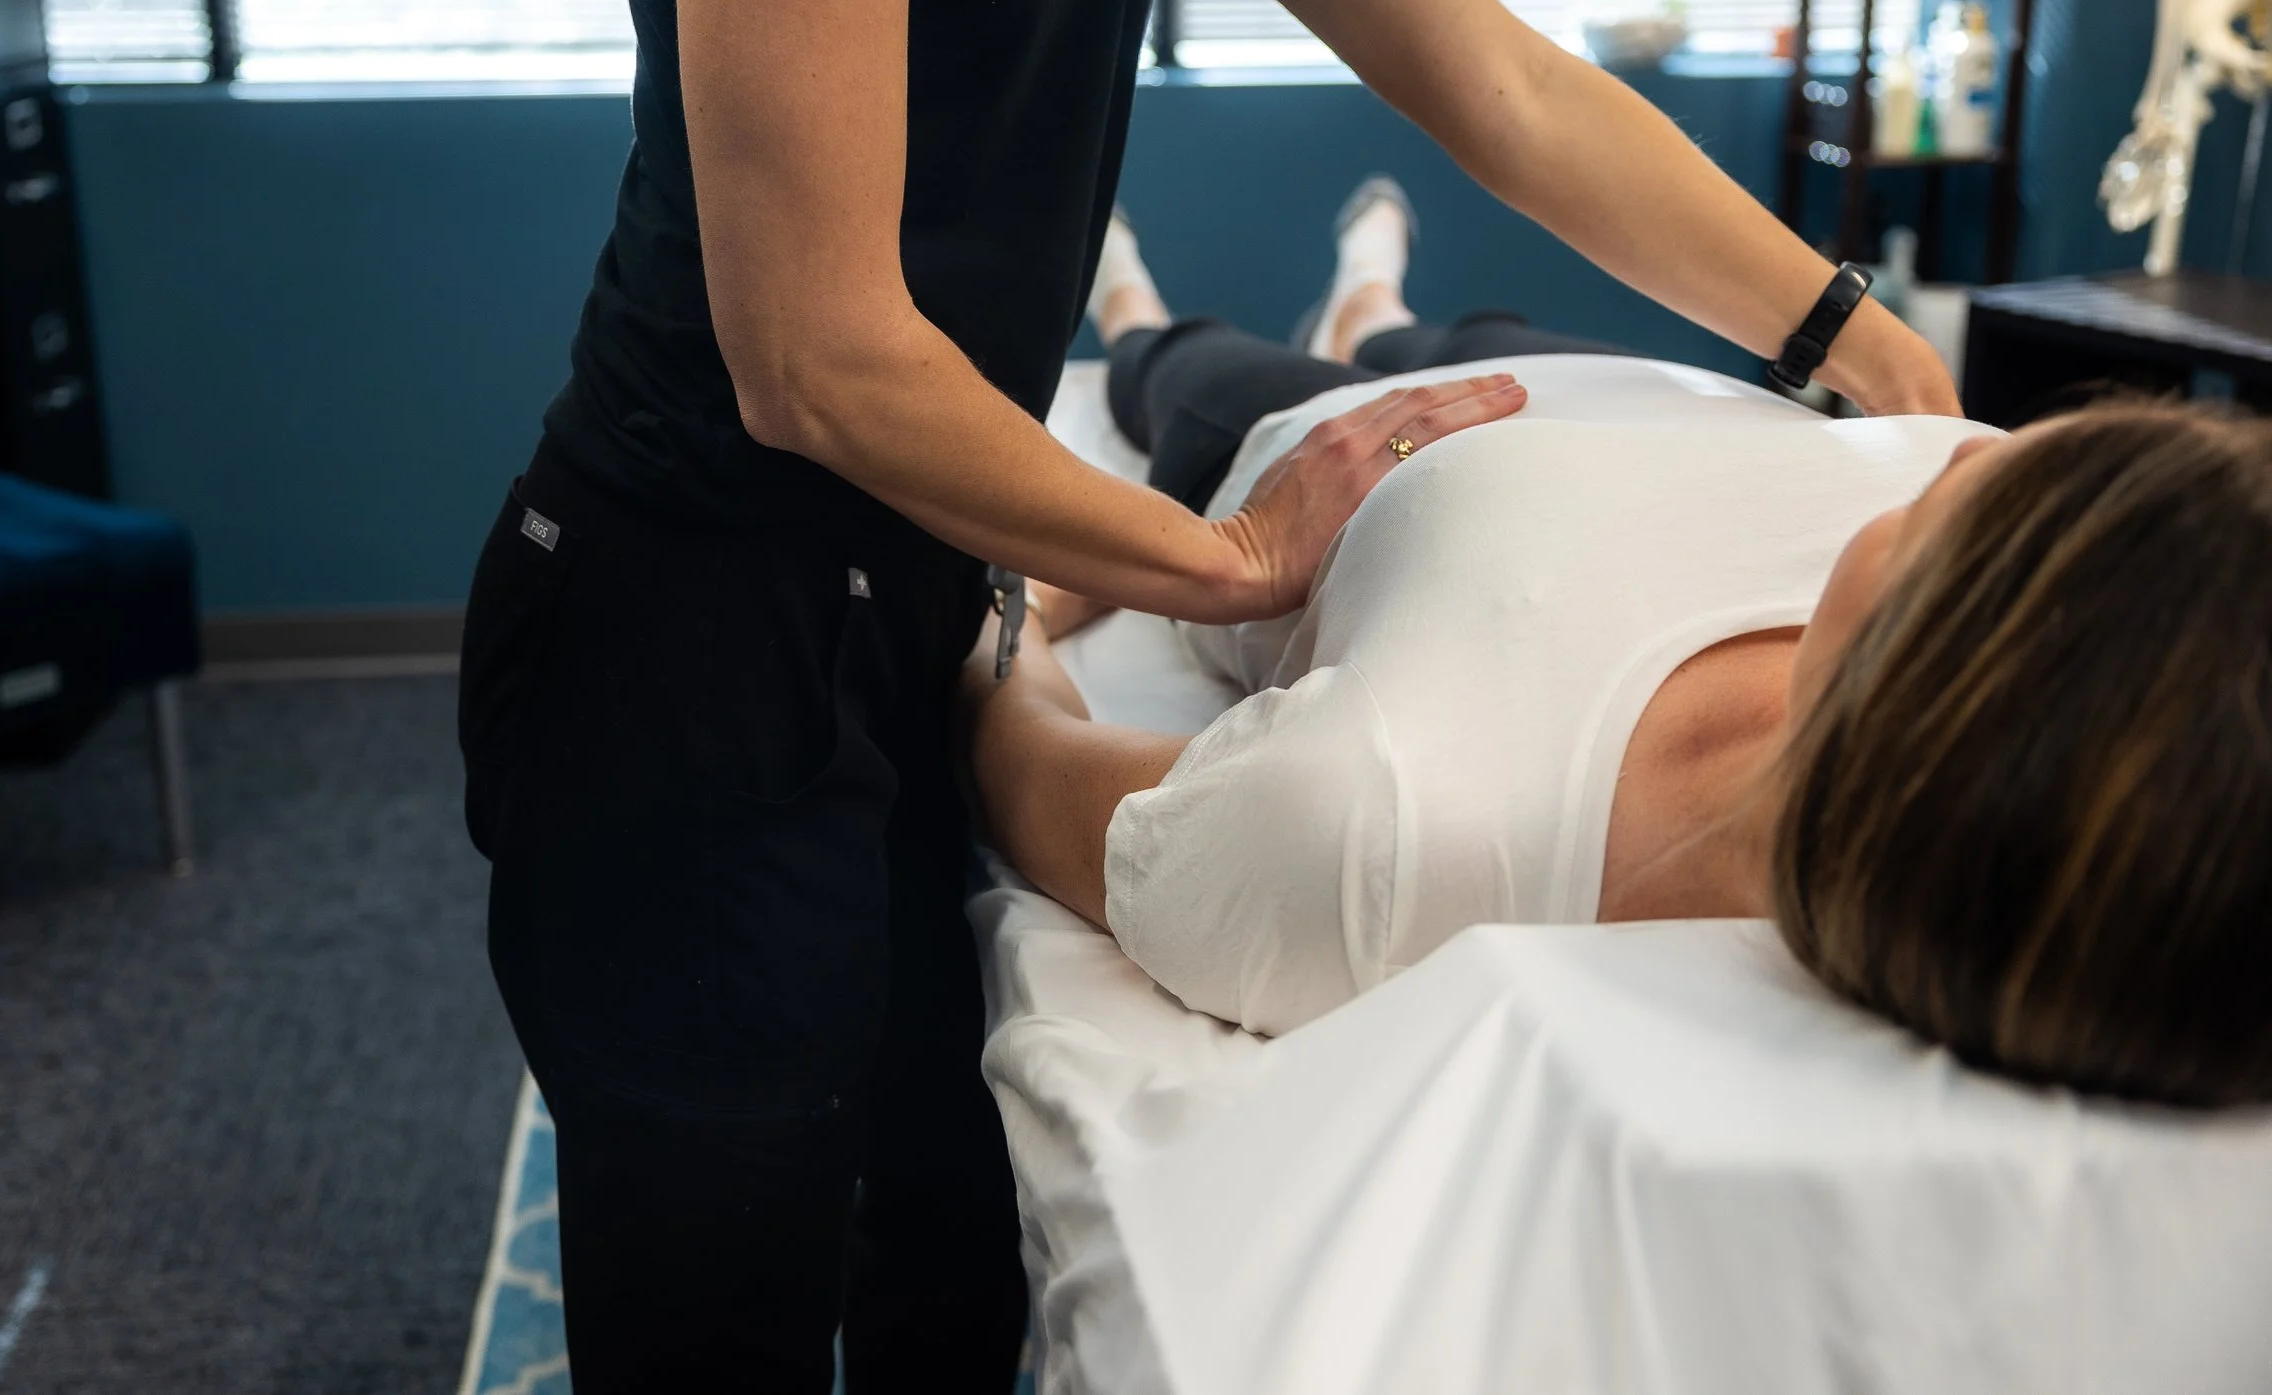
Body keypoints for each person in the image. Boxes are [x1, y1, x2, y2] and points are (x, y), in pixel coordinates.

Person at [458, 0, 1964, 1388]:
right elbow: (811, 356)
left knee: (948, 1250)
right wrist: (1221, 554)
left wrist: (1847, 333)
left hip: (917, 587)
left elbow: (1495, 80)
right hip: (691, 632)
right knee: (723, 1303)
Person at [966, 195, 2272, 1110]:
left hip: (1354, 446)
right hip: (1626, 398)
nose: (1984, 443)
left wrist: (1043, 584)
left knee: (1173, 366)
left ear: (1966, 648)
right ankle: (1373, 293)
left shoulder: (1386, 815)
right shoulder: (1915, 562)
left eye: (2009, 481)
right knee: (1431, 327)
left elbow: (1023, 756)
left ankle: (1133, 290)